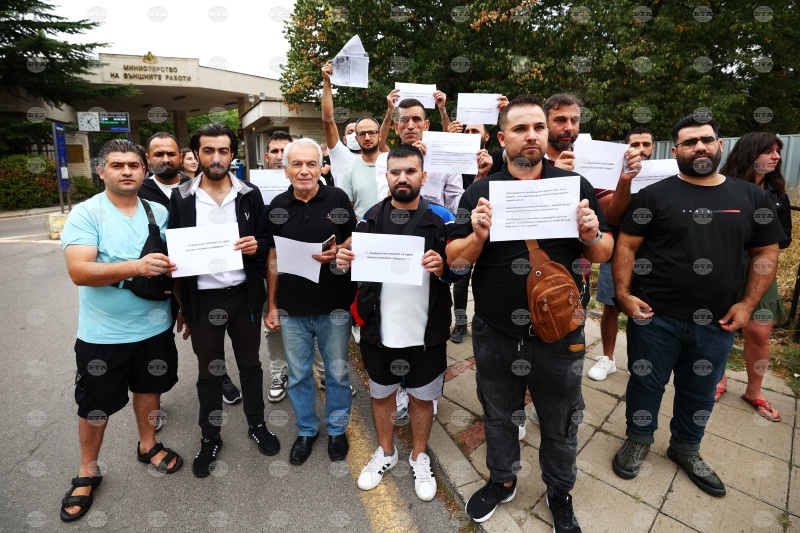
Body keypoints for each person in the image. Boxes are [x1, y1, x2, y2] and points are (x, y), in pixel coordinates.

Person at [447, 96, 612, 530]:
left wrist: (592, 234)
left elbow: (604, 252)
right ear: (503, 139)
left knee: (561, 423)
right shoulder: (480, 192)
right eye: (520, 129)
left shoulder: (573, 185)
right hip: (496, 334)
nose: (532, 135)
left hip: (560, 335)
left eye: (539, 127)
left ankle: (559, 493)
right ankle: (502, 481)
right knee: (498, 414)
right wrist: (477, 236)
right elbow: (455, 261)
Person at [611, 116, 785, 498]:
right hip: (654, 317)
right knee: (645, 383)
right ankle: (638, 438)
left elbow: (766, 252)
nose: (700, 147)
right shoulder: (653, 196)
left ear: (720, 145)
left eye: (706, 139)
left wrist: (748, 304)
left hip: (717, 321)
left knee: (700, 390)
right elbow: (626, 245)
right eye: (690, 142)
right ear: (676, 151)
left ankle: (686, 447)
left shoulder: (751, 198)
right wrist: (622, 293)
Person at [60, 139, 184, 522]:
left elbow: (176, 262)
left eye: (133, 165)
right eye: (117, 165)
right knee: (95, 405)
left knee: (149, 389)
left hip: (155, 328)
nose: (126, 171)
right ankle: (87, 470)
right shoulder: (87, 213)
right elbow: (79, 270)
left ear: (144, 170)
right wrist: (136, 266)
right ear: (101, 171)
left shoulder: (158, 211)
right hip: (104, 334)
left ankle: (148, 445)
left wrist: (183, 307)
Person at [337, 143, 460, 500]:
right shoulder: (370, 218)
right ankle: (386, 452)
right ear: (387, 176)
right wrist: (344, 262)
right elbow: (355, 270)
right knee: (382, 395)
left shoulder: (442, 218)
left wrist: (445, 267)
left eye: (410, 171)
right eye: (395, 172)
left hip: (426, 331)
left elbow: (461, 268)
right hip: (379, 331)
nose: (402, 178)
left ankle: (419, 456)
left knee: (422, 399)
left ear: (423, 176)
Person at [168, 123, 279, 478]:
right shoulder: (181, 197)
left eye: (223, 151)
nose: (216, 158)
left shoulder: (250, 193)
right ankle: (210, 437)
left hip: (244, 296)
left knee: (251, 366)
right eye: (208, 151)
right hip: (204, 300)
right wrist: (182, 307)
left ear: (232, 154)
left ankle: (257, 425)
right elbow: (173, 252)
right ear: (196, 154)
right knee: (210, 372)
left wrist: (256, 245)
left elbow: (266, 240)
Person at [265, 137, 357, 465]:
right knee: (299, 374)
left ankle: (336, 429)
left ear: (321, 168)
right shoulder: (276, 206)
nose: (304, 170)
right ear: (285, 169)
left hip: (334, 305)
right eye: (297, 164)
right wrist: (272, 305)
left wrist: (340, 249)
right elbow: (272, 257)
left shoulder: (338, 198)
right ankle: (306, 429)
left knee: (337, 373)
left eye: (311, 164)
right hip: (292, 308)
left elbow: (354, 237)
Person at [140, 133, 243, 406]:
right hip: (152, 283)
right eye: (158, 154)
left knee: (205, 340)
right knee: (156, 344)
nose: (165, 159)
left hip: (193, 280)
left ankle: (220, 377)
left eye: (171, 154)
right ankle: (153, 403)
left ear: (183, 157)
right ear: (148, 159)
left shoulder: (196, 186)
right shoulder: (139, 191)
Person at [714, 132, 791, 421]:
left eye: (777, 151)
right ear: (750, 154)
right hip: (724, 266)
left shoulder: (777, 195)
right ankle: (718, 380)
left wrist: (760, 242)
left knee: (758, 332)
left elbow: (784, 238)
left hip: (760, 270)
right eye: (769, 151)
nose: (776, 157)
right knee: (719, 325)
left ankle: (754, 391)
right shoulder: (722, 186)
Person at [587, 127, 653, 381]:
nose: (640, 149)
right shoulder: (612, 175)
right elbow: (612, 214)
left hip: (654, 255)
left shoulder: (665, 174)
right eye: (635, 144)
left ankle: (642, 362)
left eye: (646, 144)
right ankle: (609, 358)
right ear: (626, 148)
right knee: (611, 306)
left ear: (653, 148)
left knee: (648, 310)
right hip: (617, 252)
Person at [375, 96, 465, 214]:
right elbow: (383, 200)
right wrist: (411, 156)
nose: (410, 126)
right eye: (405, 120)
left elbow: (456, 204)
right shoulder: (384, 160)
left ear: (426, 125)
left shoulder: (445, 159)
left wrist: (479, 179)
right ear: (396, 128)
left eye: (416, 119)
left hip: (435, 223)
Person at [336, 115, 382, 219]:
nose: (367, 138)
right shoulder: (350, 168)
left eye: (371, 133)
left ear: (379, 136)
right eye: (362, 134)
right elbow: (346, 206)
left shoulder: (392, 162)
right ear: (356, 138)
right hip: (361, 227)